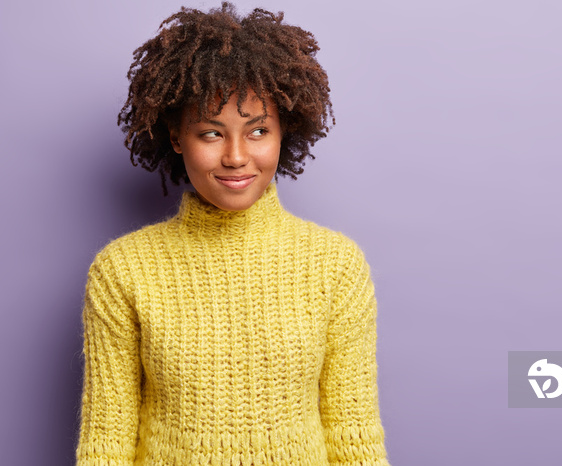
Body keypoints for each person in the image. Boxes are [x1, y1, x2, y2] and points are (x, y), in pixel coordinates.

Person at [75, 3, 390, 465]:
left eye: (258, 130)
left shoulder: (336, 265)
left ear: (285, 130)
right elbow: (106, 446)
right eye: (211, 133)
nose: (237, 157)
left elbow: (354, 437)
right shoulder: (123, 271)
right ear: (177, 136)